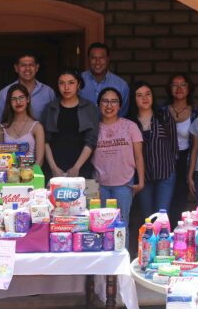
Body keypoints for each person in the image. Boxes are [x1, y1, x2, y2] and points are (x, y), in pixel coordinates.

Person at [91, 87, 144, 234]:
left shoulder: (130, 126)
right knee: (100, 226)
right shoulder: (93, 128)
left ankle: (122, 257)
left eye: (114, 101)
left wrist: (141, 181)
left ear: (120, 105)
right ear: (98, 104)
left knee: (121, 225)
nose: (109, 106)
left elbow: (139, 156)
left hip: (124, 184)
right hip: (100, 185)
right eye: (105, 101)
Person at [127, 80, 178, 219]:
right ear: (133, 99)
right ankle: (149, 241)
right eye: (139, 95)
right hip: (143, 176)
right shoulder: (130, 122)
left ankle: (162, 241)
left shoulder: (164, 116)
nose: (145, 98)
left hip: (166, 173)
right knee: (148, 218)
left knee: (162, 216)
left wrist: (172, 165)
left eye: (148, 94)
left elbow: (174, 145)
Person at [41, 68, 99, 179]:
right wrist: (53, 168)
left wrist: (76, 167)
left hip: (82, 167)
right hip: (54, 167)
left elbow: (91, 140)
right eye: (62, 83)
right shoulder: (50, 108)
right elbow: (45, 140)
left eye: (71, 83)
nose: (66, 87)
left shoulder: (89, 108)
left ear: (78, 84)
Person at [163, 73, 198, 222]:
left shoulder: (196, 114)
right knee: (164, 200)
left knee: (180, 200)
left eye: (183, 84)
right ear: (169, 89)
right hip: (165, 160)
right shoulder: (162, 112)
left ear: (189, 88)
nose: (179, 88)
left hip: (185, 160)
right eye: (174, 85)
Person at [0, 52, 55, 127]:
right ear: (16, 68)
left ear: (37, 68)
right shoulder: (5, 92)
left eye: (31, 65)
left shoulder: (48, 92)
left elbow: (53, 122)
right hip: (13, 138)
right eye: (23, 65)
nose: (27, 69)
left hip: (43, 138)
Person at [0, 84, 45, 166]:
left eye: (21, 97)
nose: (18, 102)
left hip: (30, 175)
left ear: (28, 99)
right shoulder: (2, 127)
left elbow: (40, 160)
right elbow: (0, 157)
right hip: (9, 176)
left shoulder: (37, 126)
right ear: (9, 103)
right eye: (13, 99)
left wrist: (27, 174)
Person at [80, 42, 131, 117]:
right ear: (88, 59)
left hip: (113, 129)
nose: (97, 62)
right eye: (93, 58)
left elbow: (122, 114)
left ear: (107, 59)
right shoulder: (77, 81)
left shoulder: (121, 85)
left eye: (101, 58)